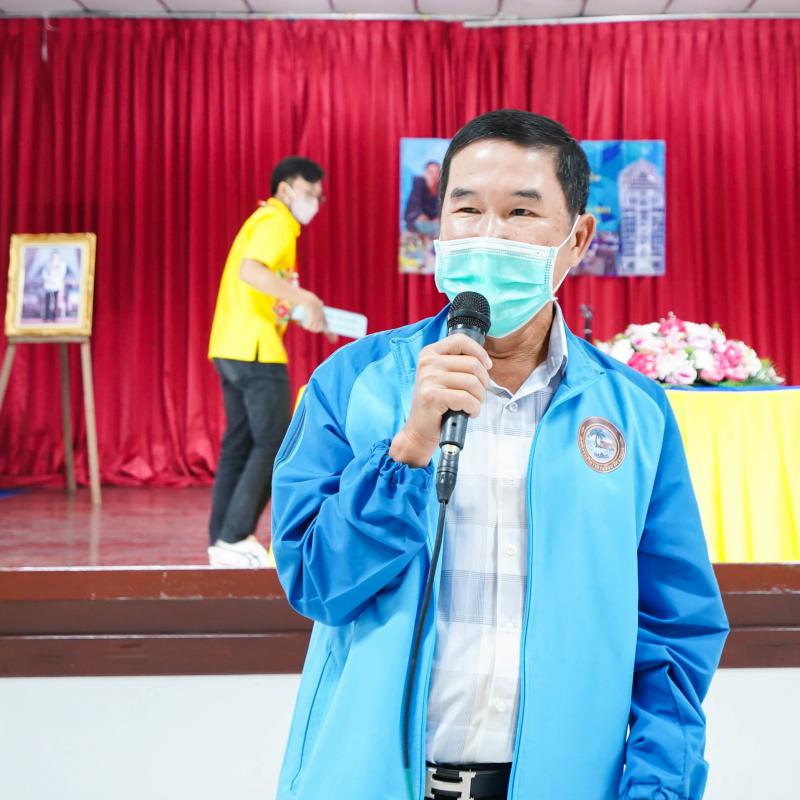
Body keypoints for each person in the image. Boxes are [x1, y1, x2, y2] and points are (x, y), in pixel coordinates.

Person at [271, 111, 728, 799]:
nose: (489, 234)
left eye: (520, 211)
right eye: (466, 209)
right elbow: (315, 584)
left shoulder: (636, 414)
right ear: (438, 228)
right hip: (369, 780)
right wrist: (408, 451)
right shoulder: (353, 382)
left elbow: (673, 633)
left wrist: (658, 787)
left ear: (577, 239)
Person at [207, 156, 333, 568]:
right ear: (285, 189)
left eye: (318, 196)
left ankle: (222, 539)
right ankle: (235, 534)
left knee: (239, 443)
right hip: (256, 350)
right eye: (309, 192)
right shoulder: (277, 220)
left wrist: (306, 311)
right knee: (274, 441)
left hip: (230, 345)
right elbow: (251, 271)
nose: (314, 202)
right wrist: (305, 298)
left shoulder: (261, 220)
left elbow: (263, 289)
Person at [404, 160, 442, 234]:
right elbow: (414, 205)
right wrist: (420, 215)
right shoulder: (418, 185)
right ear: (425, 174)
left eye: (437, 172)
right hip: (418, 222)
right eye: (430, 172)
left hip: (435, 225)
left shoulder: (442, 188)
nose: (434, 175)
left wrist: (439, 217)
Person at [42, 249, 67, 321]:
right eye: (53, 256)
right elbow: (44, 273)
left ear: (58, 256)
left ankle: (54, 317)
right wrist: (48, 279)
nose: (54, 257)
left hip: (56, 284)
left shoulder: (62, 264)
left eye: (56, 256)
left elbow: (62, 274)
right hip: (48, 284)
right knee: (47, 301)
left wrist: (55, 279)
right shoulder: (47, 263)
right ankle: (46, 316)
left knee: (56, 301)